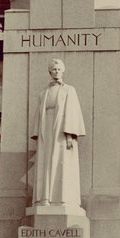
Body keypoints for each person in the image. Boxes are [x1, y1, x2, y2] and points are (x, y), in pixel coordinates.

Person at [31, 59, 85, 207]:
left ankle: (62, 199)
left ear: (63, 71)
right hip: (46, 128)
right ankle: (44, 198)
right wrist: (38, 133)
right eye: (54, 69)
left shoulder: (69, 90)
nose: (56, 72)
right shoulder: (44, 92)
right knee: (45, 162)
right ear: (50, 72)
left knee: (61, 162)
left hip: (62, 129)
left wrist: (69, 135)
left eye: (59, 69)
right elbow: (39, 113)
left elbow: (72, 112)